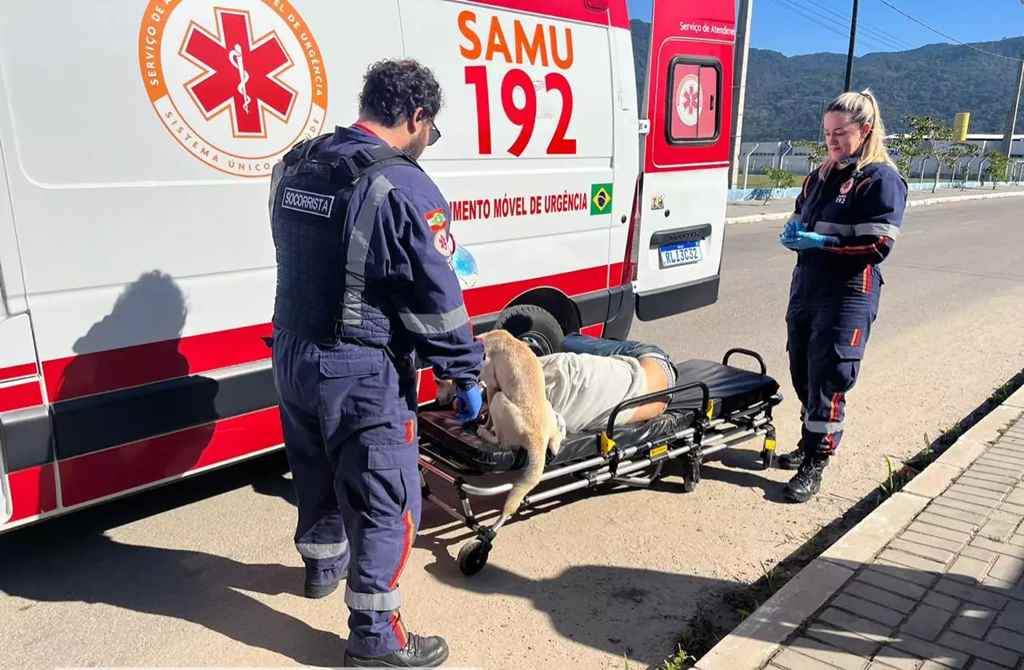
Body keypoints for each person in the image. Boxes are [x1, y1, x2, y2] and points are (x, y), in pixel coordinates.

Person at [269, 59, 484, 668]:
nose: (428, 143)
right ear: (416, 116)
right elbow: (437, 298)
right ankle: (376, 639)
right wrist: (462, 372)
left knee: (315, 470)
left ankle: (320, 568)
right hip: (359, 370)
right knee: (386, 498)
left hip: (291, 351)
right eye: (432, 130)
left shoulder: (299, 163)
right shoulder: (402, 184)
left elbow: (296, 253)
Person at [777, 89, 907, 503]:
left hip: (847, 292)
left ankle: (816, 462)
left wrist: (823, 243)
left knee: (830, 377)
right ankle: (807, 440)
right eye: (827, 133)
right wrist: (795, 234)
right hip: (808, 287)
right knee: (802, 372)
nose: (832, 141)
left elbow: (877, 245)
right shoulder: (819, 175)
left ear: (865, 130)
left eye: (840, 133)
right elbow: (801, 214)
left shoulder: (880, 179)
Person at [540, 334, 677, 435]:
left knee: (569, 343)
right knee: (568, 341)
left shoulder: (549, 415)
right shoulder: (556, 368)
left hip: (651, 385)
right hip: (657, 371)